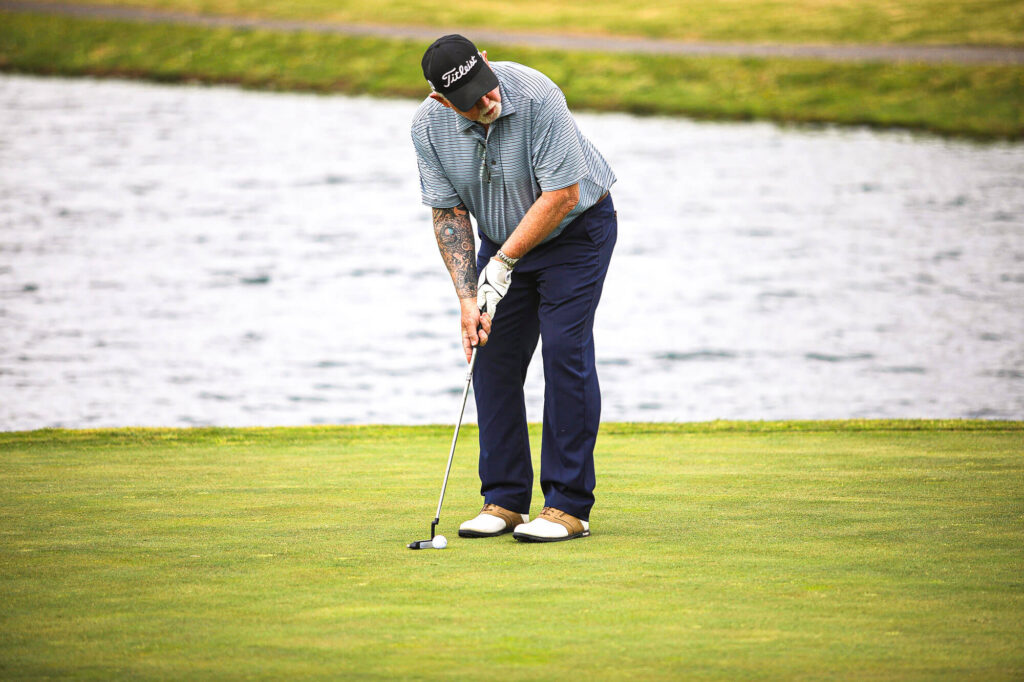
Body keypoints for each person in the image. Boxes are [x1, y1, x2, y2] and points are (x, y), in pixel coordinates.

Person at [411, 34, 617, 543]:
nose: (487, 101)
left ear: (484, 61)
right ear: (441, 99)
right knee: (491, 353)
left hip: (576, 232)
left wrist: (503, 262)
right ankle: (504, 500)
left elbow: (563, 194)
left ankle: (568, 507)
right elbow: (448, 213)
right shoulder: (428, 127)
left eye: (485, 85)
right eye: (470, 100)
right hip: (501, 240)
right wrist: (467, 298)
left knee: (564, 350)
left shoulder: (537, 94)